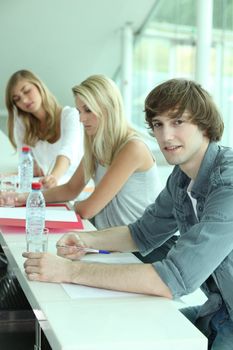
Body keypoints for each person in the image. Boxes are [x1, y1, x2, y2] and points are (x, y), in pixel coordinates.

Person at [23, 78, 233, 350]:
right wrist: (86, 240)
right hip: (218, 310)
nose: (166, 136)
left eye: (178, 122)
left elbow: (174, 278)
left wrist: (68, 271)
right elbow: (141, 233)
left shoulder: (227, 183)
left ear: (204, 124)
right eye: (158, 124)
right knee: (125, 336)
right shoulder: (181, 178)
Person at [6, 74, 162, 231]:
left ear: (108, 107)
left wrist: (73, 206)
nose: (81, 119)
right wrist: (22, 198)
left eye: (88, 110)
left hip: (138, 250)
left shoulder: (133, 148)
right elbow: (70, 189)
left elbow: (88, 209)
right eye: (79, 111)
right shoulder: (98, 144)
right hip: (108, 239)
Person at [5, 69, 84, 188]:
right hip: (49, 190)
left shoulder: (70, 115)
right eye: (17, 99)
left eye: (27, 91)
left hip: (77, 188)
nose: (24, 100)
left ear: (39, 86)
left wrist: (53, 177)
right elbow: (27, 163)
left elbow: (68, 152)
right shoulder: (24, 125)